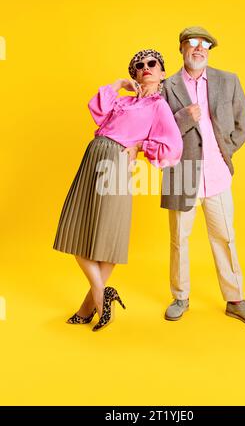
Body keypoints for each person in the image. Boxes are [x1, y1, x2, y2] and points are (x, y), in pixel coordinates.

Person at [53, 49, 183, 331]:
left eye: (152, 64)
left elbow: (172, 148)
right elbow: (97, 111)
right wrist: (118, 84)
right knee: (76, 229)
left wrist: (141, 147)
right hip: (92, 159)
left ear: (162, 73)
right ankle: (97, 300)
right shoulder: (122, 101)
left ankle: (93, 303)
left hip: (116, 164)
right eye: (139, 65)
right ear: (134, 73)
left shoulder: (159, 107)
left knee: (108, 235)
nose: (145, 67)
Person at [161, 26, 245, 328]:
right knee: (179, 239)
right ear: (181, 48)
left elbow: (243, 122)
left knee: (225, 237)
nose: (199, 49)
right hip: (181, 175)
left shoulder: (228, 81)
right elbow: (159, 132)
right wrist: (183, 118)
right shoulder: (167, 87)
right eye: (192, 44)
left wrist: (226, 152)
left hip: (217, 174)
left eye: (204, 45)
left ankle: (235, 300)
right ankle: (180, 297)